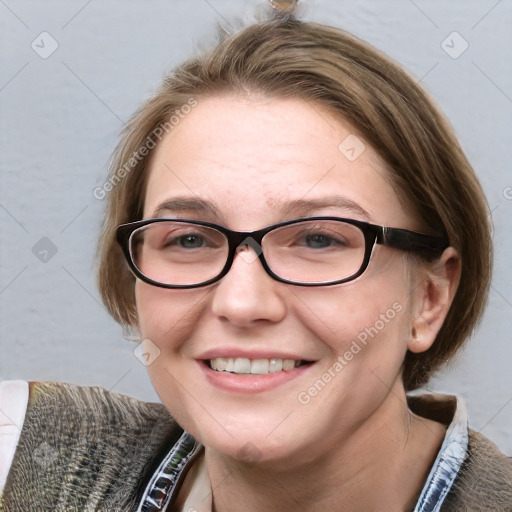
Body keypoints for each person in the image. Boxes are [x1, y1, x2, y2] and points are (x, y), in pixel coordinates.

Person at [1, 5, 511, 512]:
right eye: (189, 239)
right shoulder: (25, 466)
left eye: (317, 239)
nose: (242, 304)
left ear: (429, 297)